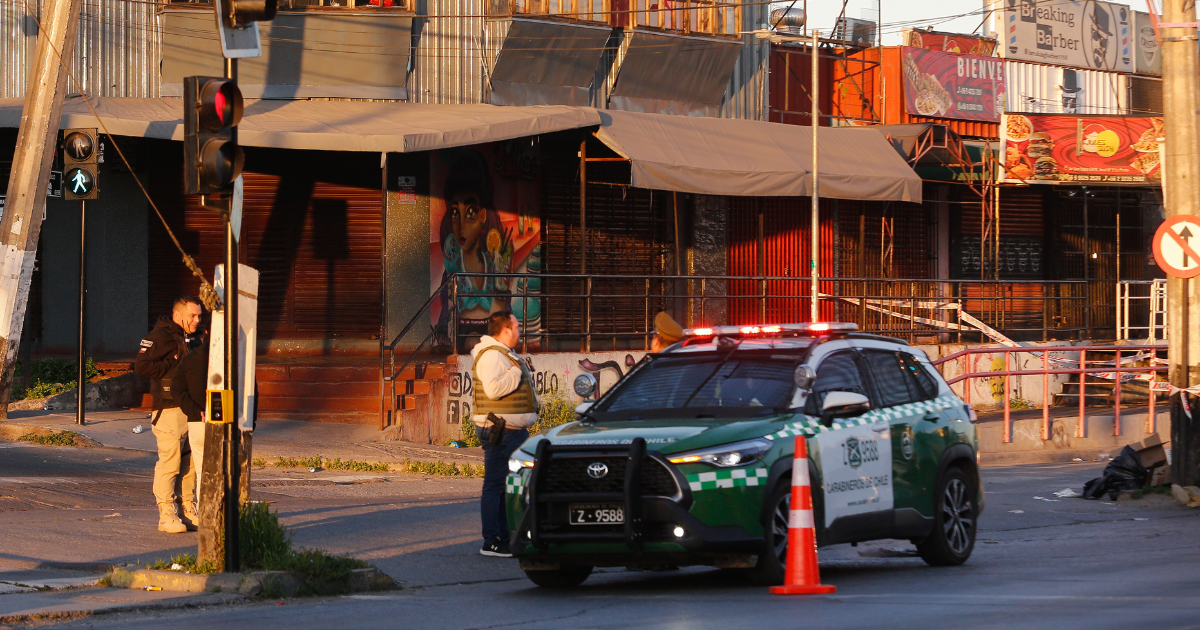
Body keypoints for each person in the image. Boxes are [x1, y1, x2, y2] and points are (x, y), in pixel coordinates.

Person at [134, 296, 203, 534]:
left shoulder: (196, 338)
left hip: (192, 407)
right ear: (178, 314)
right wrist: (173, 362)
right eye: (192, 315)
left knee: (191, 463)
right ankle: (166, 512)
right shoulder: (159, 337)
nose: (196, 320)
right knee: (170, 462)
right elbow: (141, 367)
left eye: (199, 316)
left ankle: (188, 508)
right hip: (168, 407)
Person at [471, 310, 537, 558]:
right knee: (496, 485)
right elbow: (493, 389)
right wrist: (516, 372)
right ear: (506, 330)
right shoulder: (491, 356)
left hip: (511, 432)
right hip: (500, 432)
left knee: (509, 486)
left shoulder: (502, 354)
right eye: (517, 327)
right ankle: (492, 541)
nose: (520, 331)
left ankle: (506, 535)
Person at [172, 339, 210, 526]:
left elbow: (176, 389)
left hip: (198, 421)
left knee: (203, 470)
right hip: (226, 419)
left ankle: (207, 514)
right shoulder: (232, 357)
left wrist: (194, 411)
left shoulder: (190, 360)